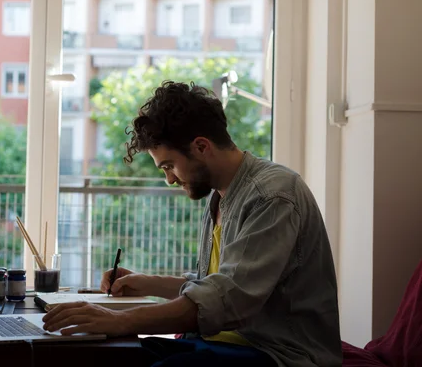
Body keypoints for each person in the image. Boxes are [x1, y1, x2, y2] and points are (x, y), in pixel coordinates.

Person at [42, 81, 342, 367]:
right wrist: (146, 282)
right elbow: (212, 285)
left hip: (279, 354)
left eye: (169, 166)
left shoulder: (272, 195)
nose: (170, 179)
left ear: (201, 146)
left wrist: (120, 319)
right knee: (109, 356)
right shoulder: (221, 197)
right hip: (230, 345)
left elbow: (229, 299)